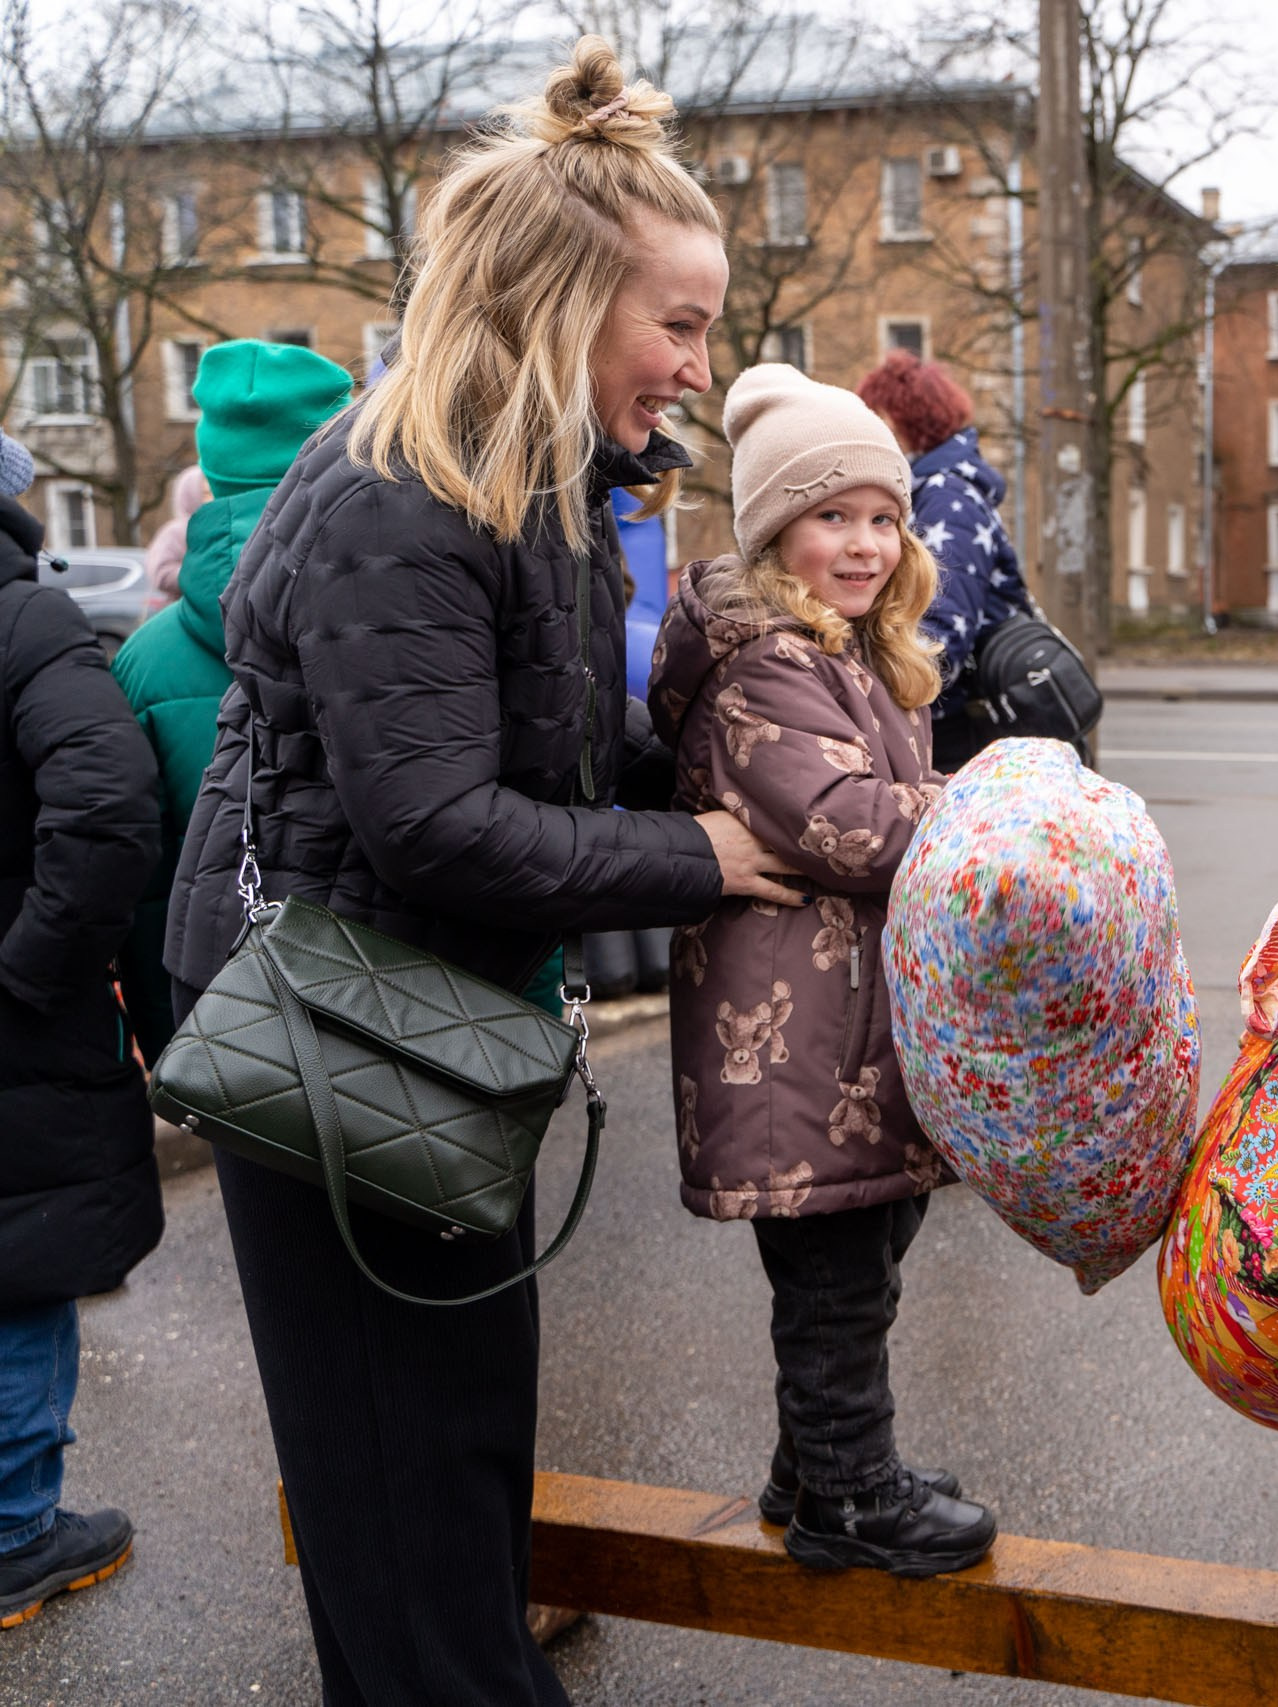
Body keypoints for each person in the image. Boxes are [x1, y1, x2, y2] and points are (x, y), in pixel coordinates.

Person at [159, 41, 802, 1705]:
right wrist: (708, 856)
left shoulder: (542, 491)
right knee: (402, 1487)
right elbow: (437, 820)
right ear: (563, 297)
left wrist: (810, 777)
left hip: (423, 1014)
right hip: (342, 1031)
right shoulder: (403, 494)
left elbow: (573, 756)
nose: (698, 365)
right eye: (679, 323)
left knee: (446, 1464)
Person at [650, 363, 996, 1579]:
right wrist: (985, 807)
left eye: (883, 517)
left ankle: (818, 1466)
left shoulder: (839, 646)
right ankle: (850, 1495)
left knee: (866, 1249)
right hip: (793, 1031)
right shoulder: (761, 662)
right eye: (831, 516)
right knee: (836, 1283)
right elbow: (844, 820)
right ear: (770, 529)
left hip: (842, 1028)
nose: (864, 544)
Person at [0, 430, 161, 1628]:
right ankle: (16, 1532)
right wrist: (32, 969)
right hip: (15, 1021)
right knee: (18, 1261)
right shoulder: (28, 625)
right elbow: (107, 811)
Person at [113, 340, 352, 1063]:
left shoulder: (140, 661)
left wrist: (173, 1043)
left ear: (209, 462)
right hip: (397, 1021)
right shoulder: (393, 612)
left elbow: (141, 881)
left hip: (222, 1031)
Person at [854, 350, 1031, 771]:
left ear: (901, 420)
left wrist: (870, 712)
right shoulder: (931, 489)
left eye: (876, 421)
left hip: (963, 733)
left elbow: (938, 639)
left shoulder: (947, 498)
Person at [142, 466, 208, 603]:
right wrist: (200, 574)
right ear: (190, 494)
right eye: (205, 494)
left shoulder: (221, 526)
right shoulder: (175, 532)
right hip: (187, 609)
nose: (211, 499)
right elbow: (160, 574)